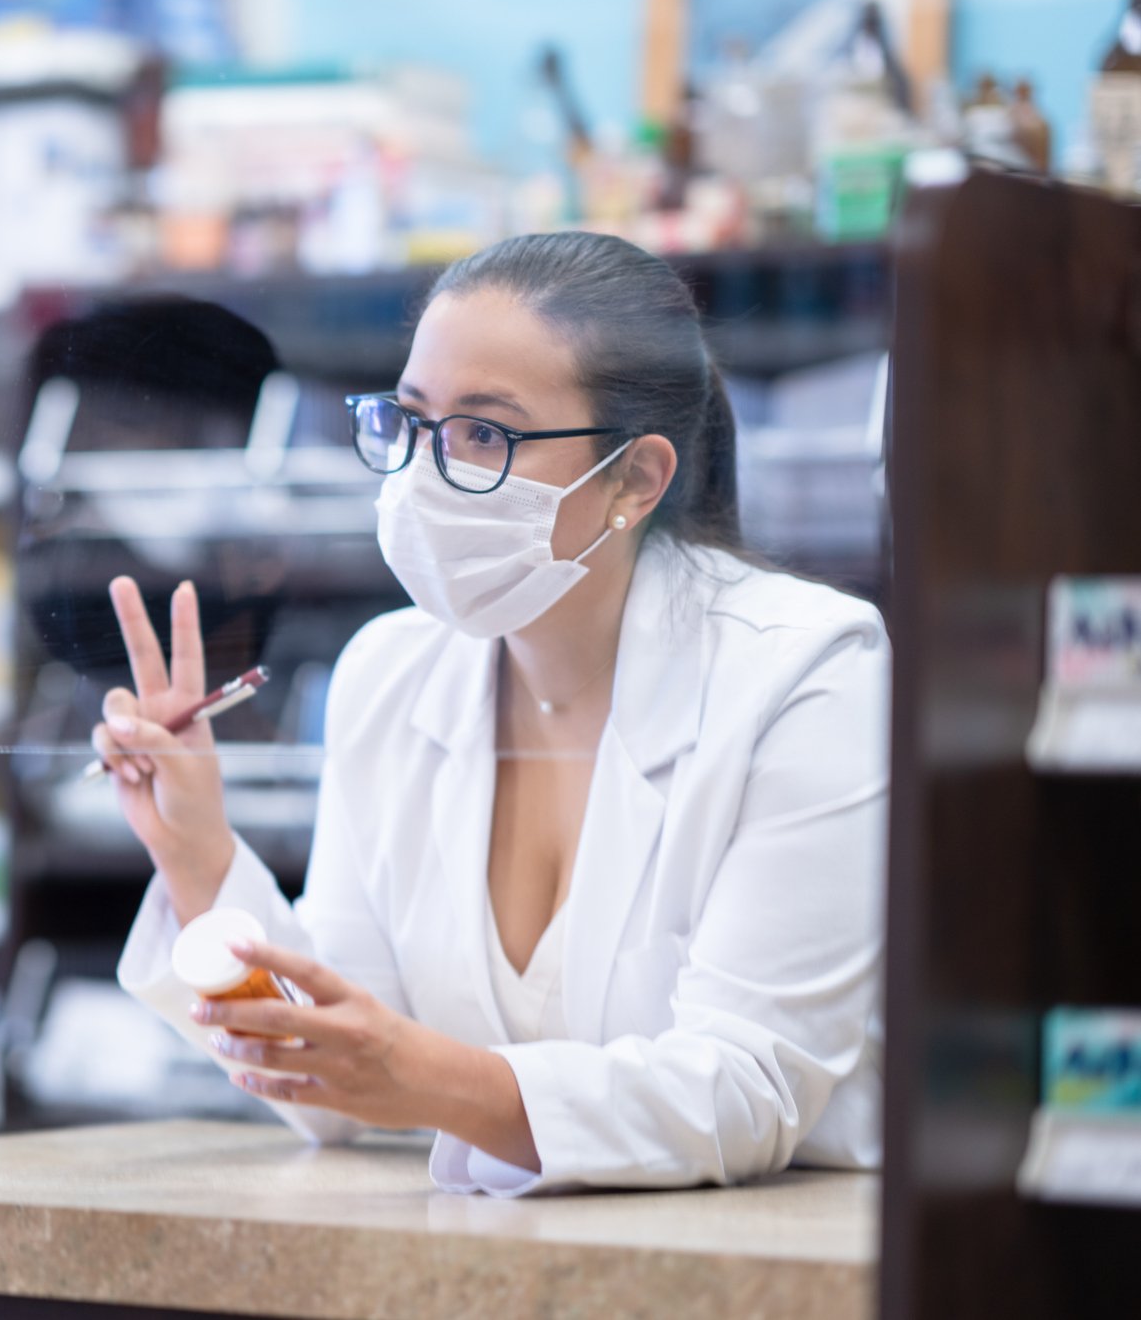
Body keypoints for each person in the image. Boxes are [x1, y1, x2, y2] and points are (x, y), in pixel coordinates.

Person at [96, 231, 888, 1196]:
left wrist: (425, 1077)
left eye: (485, 434)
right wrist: (196, 855)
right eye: (411, 421)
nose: (423, 476)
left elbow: (747, 1087)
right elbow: (339, 1083)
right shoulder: (390, 673)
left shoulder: (805, 671)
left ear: (635, 479)